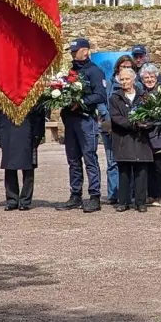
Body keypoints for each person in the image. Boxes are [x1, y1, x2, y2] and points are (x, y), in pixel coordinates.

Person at [56, 38, 109, 213]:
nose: (72, 53)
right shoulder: (71, 71)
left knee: (89, 159)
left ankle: (94, 196)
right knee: (72, 160)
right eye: (71, 51)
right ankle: (75, 195)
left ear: (85, 51)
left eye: (75, 50)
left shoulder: (95, 71)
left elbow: (100, 95)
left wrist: (81, 102)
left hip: (86, 120)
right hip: (71, 120)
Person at [108, 65, 154, 212]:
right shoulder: (115, 98)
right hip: (123, 139)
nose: (124, 82)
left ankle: (141, 202)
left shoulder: (144, 96)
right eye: (121, 79)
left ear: (134, 80)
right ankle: (124, 201)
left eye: (127, 79)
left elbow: (152, 116)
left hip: (141, 140)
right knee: (124, 172)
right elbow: (116, 118)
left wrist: (147, 125)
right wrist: (134, 124)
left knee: (141, 172)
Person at [0, 97, 47, 210]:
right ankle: (12, 199)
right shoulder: (4, 85)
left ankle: (25, 200)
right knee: (10, 166)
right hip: (7, 129)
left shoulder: (31, 84)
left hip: (28, 129)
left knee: (28, 167)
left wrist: (38, 132)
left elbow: (39, 112)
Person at [139, 63, 161, 203]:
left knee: (159, 166)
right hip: (145, 135)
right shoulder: (140, 93)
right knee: (148, 165)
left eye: (152, 77)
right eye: (146, 77)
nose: (149, 80)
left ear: (156, 77)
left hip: (160, 134)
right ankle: (150, 194)